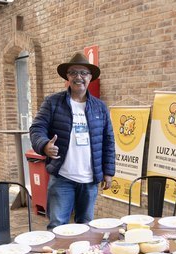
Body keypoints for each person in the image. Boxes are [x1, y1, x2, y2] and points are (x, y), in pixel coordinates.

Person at [29, 52, 115, 229]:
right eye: (73, 72)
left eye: (83, 73)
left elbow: (108, 140)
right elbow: (37, 129)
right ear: (67, 77)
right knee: (57, 226)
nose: (78, 77)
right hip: (63, 177)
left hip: (90, 179)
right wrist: (44, 145)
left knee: (85, 227)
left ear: (90, 77)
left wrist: (108, 172)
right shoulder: (53, 102)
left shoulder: (100, 107)